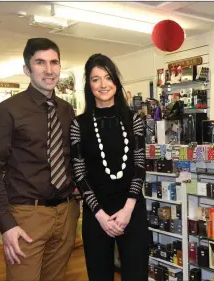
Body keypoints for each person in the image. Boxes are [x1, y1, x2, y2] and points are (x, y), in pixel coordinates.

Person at [0, 38, 80, 281]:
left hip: (66, 213)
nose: (49, 70)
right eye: (40, 62)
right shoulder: (8, 110)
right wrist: (6, 224)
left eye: (54, 62)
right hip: (26, 216)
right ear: (27, 69)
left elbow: (73, 160)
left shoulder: (67, 110)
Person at [70, 53, 149, 281]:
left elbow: (139, 166)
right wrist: (100, 215)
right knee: (99, 275)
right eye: (96, 79)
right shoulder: (79, 124)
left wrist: (127, 210)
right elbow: (79, 172)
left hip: (131, 210)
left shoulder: (134, 119)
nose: (103, 85)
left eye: (108, 77)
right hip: (97, 214)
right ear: (89, 84)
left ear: (116, 80)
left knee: (136, 275)